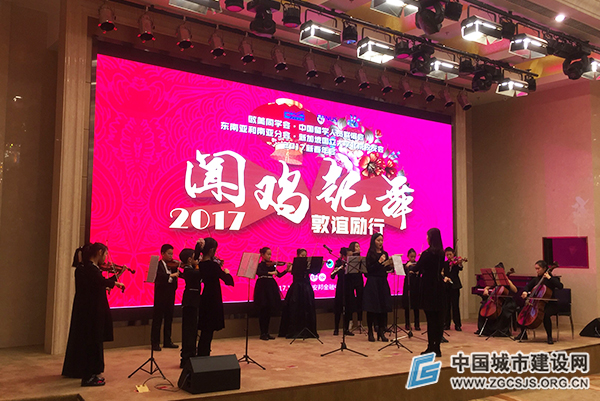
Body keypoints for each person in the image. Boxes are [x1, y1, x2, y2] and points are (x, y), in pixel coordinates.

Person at [62, 243, 125, 386]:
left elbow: (98, 284)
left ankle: (91, 373)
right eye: (105, 254)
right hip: (92, 312)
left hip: (90, 311)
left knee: (92, 342)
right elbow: (100, 282)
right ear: (100, 252)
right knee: (92, 343)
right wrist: (116, 283)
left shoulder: (88, 268)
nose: (106, 258)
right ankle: (89, 376)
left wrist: (115, 278)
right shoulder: (90, 269)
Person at [196, 237, 234, 356]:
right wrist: (227, 272)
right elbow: (228, 281)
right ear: (212, 250)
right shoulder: (213, 266)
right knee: (209, 329)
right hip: (213, 297)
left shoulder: (199, 264)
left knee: (205, 329)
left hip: (204, 297)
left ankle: (202, 351)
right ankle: (204, 353)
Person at [415, 228, 446, 357]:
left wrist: (411, 267)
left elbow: (417, 267)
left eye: (428, 236)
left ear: (431, 238)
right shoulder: (442, 253)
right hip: (439, 287)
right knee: (438, 319)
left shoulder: (427, 253)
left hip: (428, 287)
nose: (427, 238)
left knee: (431, 320)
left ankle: (430, 347)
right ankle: (437, 348)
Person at [517, 260, 563, 344]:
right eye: (536, 269)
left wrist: (549, 278)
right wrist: (525, 291)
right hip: (537, 304)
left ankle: (549, 337)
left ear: (544, 268)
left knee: (545, 315)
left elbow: (560, 286)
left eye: (538, 269)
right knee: (522, 311)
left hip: (550, 304)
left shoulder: (552, 279)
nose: (537, 271)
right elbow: (527, 286)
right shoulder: (536, 279)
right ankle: (523, 334)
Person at [279, 248, 319, 339]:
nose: (304, 257)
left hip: (307, 288)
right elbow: (290, 271)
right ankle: (294, 330)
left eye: (305, 256)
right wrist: (288, 267)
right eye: (302, 255)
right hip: (297, 289)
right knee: (294, 308)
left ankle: (308, 330)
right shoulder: (295, 264)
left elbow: (314, 272)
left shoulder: (308, 265)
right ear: (298, 255)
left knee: (308, 308)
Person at [254, 247, 290, 340]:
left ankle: (267, 332)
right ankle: (262, 333)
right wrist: (270, 272)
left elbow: (279, 275)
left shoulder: (272, 265)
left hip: (270, 287)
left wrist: (286, 270)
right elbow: (259, 272)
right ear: (262, 255)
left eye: (270, 254)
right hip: (262, 287)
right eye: (268, 254)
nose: (270, 256)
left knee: (268, 310)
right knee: (263, 310)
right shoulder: (259, 265)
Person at [363, 233, 393, 342]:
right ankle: (370, 332)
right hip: (373, 282)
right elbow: (369, 270)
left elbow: (386, 269)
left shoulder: (385, 253)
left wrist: (390, 265)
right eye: (378, 240)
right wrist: (379, 262)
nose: (380, 242)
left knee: (383, 307)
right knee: (372, 308)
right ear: (373, 241)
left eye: (381, 240)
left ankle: (381, 331)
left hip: (382, 282)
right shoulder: (370, 254)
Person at [475, 263, 518, 337]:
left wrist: (508, 281)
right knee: (483, 307)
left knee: (504, 310)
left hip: (507, 300)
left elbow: (515, 290)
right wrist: (486, 289)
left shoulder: (507, 280)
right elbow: (487, 287)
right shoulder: (495, 280)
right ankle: (484, 329)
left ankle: (501, 330)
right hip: (496, 300)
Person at [151, 244, 180, 351]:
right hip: (160, 295)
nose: (171, 256)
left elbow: (178, 276)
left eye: (172, 254)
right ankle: (155, 342)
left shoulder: (173, 265)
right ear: (162, 254)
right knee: (157, 320)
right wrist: (171, 276)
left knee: (169, 318)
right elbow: (159, 277)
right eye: (169, 253)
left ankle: (167, 341)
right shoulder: (158, 265)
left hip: (170, 294)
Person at [179, 248, 200, 368]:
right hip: (190, 302)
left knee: (192, 329)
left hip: (193, 301)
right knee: (189, 330)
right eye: (194, 257)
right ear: (189, 259)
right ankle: (187, 356)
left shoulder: (190, 269)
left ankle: (191, 353)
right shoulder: (188, 271)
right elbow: (200, 273)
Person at [331, 247, 354, 336]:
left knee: (349, 308)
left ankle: (346, 329)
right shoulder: (338, 262)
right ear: (343, 256)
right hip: (341, 286)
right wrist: (339, 270)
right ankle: (336, 328)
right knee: (338, 308)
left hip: (349, 287)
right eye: (348, 255)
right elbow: (332, 276)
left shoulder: (352, 263)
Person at [443, 247, 463, 331]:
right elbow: (443, 273)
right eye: (447, 255)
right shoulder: (445, 264)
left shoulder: (456, 263)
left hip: (455, 286)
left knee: (455, 306)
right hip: (447, 286)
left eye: (450, 254)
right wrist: (445, 278)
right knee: (447, 306)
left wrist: (459, 263)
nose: (449, 256)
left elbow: (460, 268)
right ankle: (446, 324)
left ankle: (457, 324)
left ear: (453, 254)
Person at [347, 241, 365, 330]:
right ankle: (350, 322)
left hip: (359, 280)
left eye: (358, 246)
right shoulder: (349, 258)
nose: (358, 248)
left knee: (360, 301)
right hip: (350, 280)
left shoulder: (361, 259)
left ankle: (359, 322)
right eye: (356, 246)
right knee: (350, 301)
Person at [402, 248, 421, 331]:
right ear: (408, 256)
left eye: (414, 257)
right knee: (407, 306)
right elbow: (403, 272)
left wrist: (417, 272)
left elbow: (420, 272)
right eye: (411, 256)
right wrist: (407, 268)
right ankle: (407, 324)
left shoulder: (417, 264)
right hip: (408, 286)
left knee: (416, 306)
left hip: (416, 285)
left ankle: (417, 324)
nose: (413, 258)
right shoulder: (406, 265)